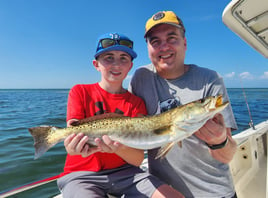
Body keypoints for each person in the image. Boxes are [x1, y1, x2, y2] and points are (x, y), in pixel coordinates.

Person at [57, 32, 184, 198]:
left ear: (130, 66)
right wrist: (73, 147)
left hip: (127, 173)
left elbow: (138, 159)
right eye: (108, 57)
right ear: (96, 64)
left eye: (123, 58)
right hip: (81, 175)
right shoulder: (80, 91)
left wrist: (118, 148)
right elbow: (72, 136)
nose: (116, 64)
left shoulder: (136, 103)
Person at [129, 11, 238, 198]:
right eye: (155, 41)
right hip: (164, 192)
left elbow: (227, 156)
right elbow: (131, 129)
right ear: (148, 48)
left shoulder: (210, 79)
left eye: (172, 38)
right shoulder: (140, 78)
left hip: (214, 193)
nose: (164, 47)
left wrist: (219, 141)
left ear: (185, 43)